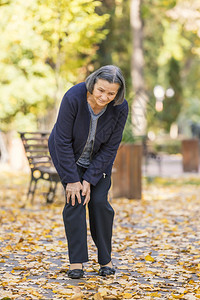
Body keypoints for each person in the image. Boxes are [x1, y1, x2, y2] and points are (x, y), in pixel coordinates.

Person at [48, 65, 128, 279]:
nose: (104, 97)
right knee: (75, 200)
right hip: (68, 156)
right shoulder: (73, 97)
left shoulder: (120, 107)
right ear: (93, 83)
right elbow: (62, 140)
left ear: (118, 93)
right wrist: (73, 180)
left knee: (100, 203)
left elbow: (111, 146)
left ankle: (105, 259)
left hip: (98, 161)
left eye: (111, 93)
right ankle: (76, 262)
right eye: (101, 90)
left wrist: (90, 179)